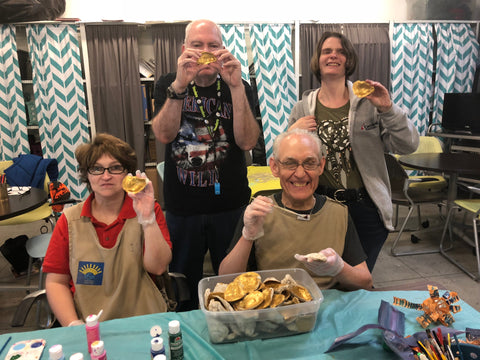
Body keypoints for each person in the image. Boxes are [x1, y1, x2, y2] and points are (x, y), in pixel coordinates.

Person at [151, 19, 260, 310]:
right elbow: (163, 134)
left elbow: (248, 141)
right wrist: (179, 86)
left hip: (231, 205)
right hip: (182, 208)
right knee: (183, 289)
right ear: (184, 49)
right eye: (197, 45)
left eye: (213, 45)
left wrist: (236, 87)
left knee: (236, 288)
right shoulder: (167, 83)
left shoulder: (238, 84)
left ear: (222, 49)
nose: (205, 51)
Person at [288, 32, 419, 272]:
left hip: (365, 208)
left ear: (348, 61)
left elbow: (408, 145)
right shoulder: (302, 108)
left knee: (359, 279)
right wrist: (291, 132)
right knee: (326, 277)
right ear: (318, 59)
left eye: (341, 51)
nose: (333, 55)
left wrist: (389, 109)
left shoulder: (370, 104)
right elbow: (286, 156)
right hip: (321, 206)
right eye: (327, 51)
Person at [43, 133, 172, 326]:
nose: (106, 176)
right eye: (97, 169)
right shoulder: (69, 221)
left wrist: (147, 219)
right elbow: (56, 282)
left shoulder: (148, 210)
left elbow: (159, 267)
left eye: (115, 168)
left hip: (146, 321)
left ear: (127, 173)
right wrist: (72, 324)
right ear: (86, 174)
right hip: (90, 326)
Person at [219, 129, 372, 291]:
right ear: (275, 167)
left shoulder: (338, 213)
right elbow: (226, 280)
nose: (300, 174)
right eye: (290, 163)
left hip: (326, 308)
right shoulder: (260, 213)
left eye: (309, 163)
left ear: (321, 166)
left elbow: (366, 282)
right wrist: (248, 235)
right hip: (273, 307)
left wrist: (339, 268)